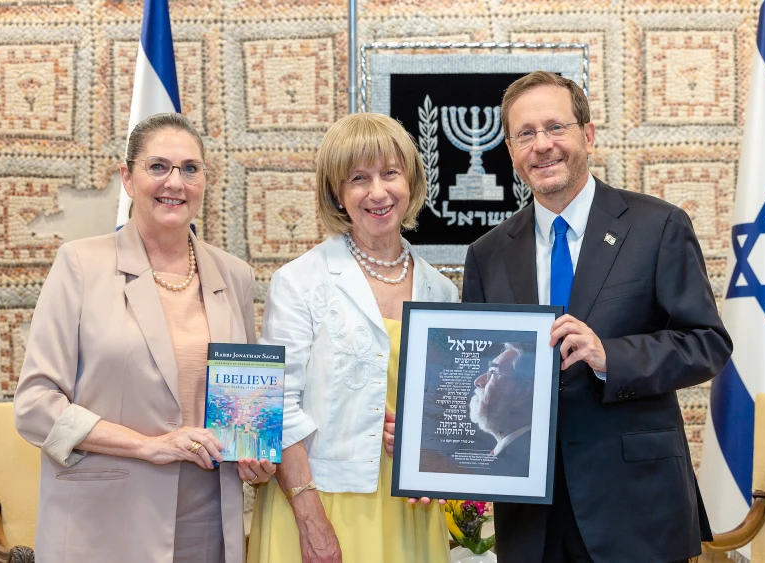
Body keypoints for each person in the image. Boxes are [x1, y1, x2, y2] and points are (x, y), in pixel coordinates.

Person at [462, 71, 732, 563]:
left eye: (555, 127)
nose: (542, 145)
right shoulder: (486, 254)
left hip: (635, 507)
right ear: (511, 151)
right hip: (531, 518)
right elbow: (475, 368)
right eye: (526, 134)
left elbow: (706, 342)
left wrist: (612, 356)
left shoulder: (658, 226)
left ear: (587, 135)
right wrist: (431, 443)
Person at [13, 112, 275, 563]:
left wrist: (256, 457)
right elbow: (35, 407)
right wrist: (147, 445)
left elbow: (242, 407)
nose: (175, 182)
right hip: (104, 524)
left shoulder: (235, 276)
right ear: (127, 178)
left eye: (189, 168)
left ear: (204, 180)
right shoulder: (80, 265)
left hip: (208, 526)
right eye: (158, 166)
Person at [247, 112, 459, 563]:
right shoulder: (300, 281)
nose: (377, 192)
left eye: (390, 173)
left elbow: (447, 408)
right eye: (358, 178)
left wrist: (435, 450)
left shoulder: (441, 291)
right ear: (336, 193)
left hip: (410, 508)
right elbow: (276, 408)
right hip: (317, 503)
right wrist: (312, 522)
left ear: (411, 181)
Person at [469, 342, 535, 476]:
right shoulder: (516, 454)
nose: (478, 381)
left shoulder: (524, 464)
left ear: (522, 393)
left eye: (493, 372)